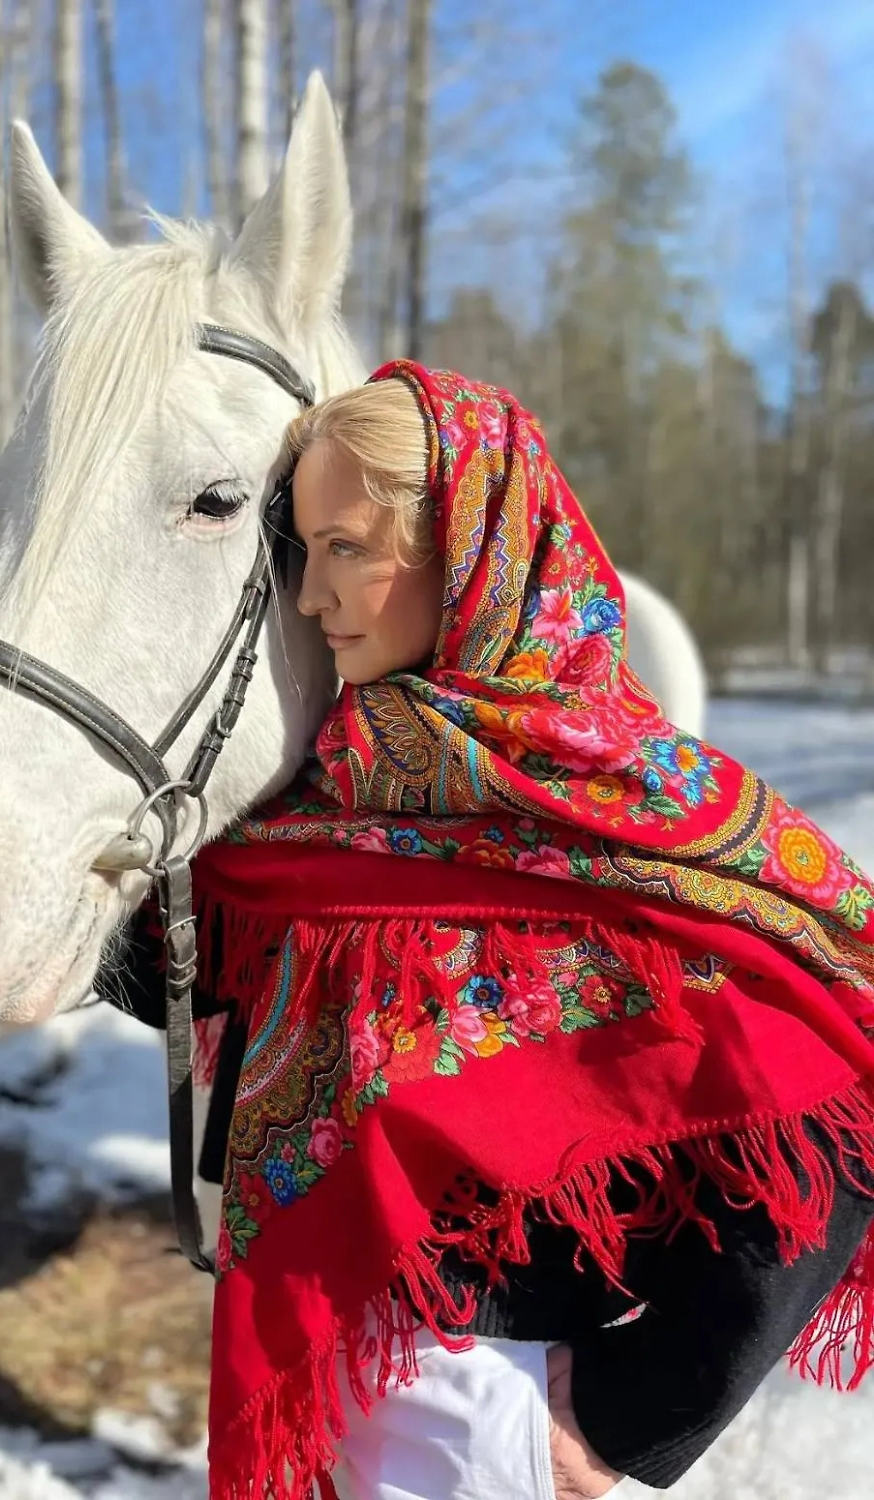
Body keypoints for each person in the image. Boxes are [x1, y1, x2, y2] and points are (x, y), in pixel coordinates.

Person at [112, 365, 874, 1500]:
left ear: (473, 553)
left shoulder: (642, 816)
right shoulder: (328, 801)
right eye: (302, 554)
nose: (313, 597)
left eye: (348, 550)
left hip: (482, 1430)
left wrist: (626, 1420)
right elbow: (195, 971)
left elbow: (831, 1122)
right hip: (321, 1388)